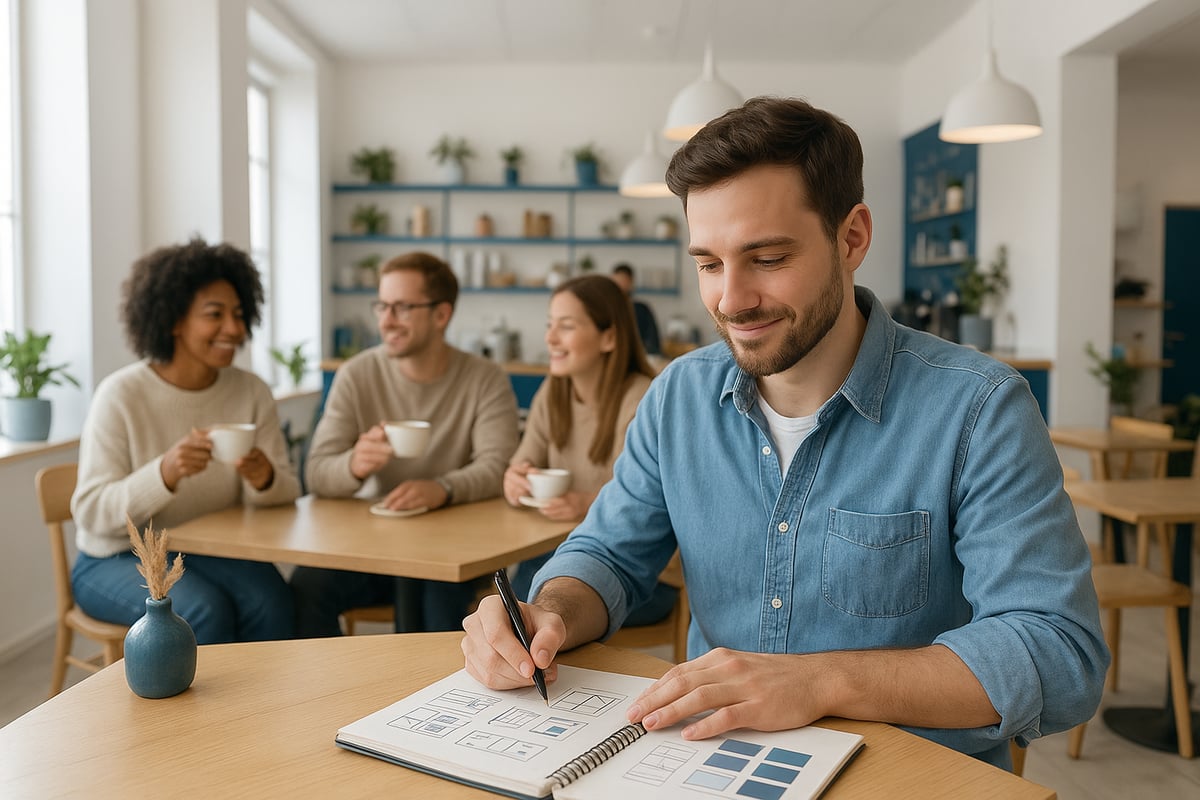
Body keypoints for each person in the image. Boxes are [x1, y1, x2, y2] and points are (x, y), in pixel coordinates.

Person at [462, 97, 1107, 769]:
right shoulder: (679, 397)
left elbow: (1059, 651)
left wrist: (821, 681)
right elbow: (609, 555)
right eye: (709, 264)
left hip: (905, 776)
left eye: (766, 258)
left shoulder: (979, 409)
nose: (730, 300)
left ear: (852, 237)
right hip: (709, 769)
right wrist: (550, 613)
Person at [71, 237, 300, 644]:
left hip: (206, 550)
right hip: (113, 559)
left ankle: (271, 708)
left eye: (238, 314)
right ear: (173, 319)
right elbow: (90, 511)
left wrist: (264, 478)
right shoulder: (121, 395)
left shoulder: (251, 392)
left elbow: (286, 492)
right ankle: (210, 712)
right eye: (215, 314)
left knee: (274, 601)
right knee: (199, 612)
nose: (234, 328)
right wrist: (164, 473)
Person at [294, 251, 519, 635]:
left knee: (434, 605)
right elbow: (316, 472)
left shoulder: (485, 379)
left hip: (457, 548)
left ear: (441, 315)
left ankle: (435, 694)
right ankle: (334, 692)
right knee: (306, 588)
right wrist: (353, 465)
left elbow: (497, 467)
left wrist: (442, 490)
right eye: (381, 305)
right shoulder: (357, 375)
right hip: (377, 548)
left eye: (401, 307)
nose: (385, 320)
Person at [503, 275, 675, 625]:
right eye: (550, 325)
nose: (550, 338)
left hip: (643, 574)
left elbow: (648, 504)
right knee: (516, 597)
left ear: (609, 337)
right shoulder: (554, 391)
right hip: (567, 551)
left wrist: (588, 502)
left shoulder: (642, 399)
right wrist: (515, 478)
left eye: (565, 327)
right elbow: (525, 459)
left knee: (524, 603)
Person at [610, 263, 662, 356]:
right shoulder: (607, 310)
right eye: (617, 282)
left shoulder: (642, 310)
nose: (620, 286)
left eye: (623, 281)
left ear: (631, 283)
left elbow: (653, 343)